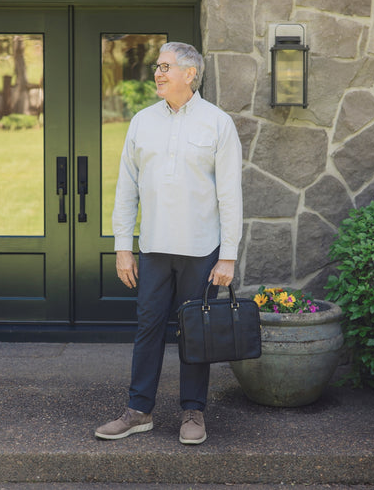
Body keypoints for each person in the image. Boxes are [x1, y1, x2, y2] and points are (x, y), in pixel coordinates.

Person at [95, 42, 242, 445]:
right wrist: (123, 246)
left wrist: (228, 255)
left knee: (196, 331)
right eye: (157, 66)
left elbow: (230, 194)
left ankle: (193, 411)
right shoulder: (142, 122)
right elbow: (126, 189)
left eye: (165, 67)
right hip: (155, 248)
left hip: (202, 249)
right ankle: (138, 410)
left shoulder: (218, 123)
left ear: (190, 73)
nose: (158, 73)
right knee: (148, 327)